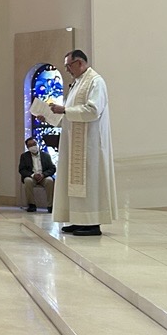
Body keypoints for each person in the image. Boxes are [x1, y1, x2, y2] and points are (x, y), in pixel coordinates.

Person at [48, 49, 118, 236]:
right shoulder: (77, 84)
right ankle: (79, 219)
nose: (67, 70)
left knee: (90, 182)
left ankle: (92, 224)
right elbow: (70, 114)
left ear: (79, 63)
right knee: (75, 184)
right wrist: (50, 115)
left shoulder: (95, 81)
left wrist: (64, 110)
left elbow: (93, 110)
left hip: (90, 144)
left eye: (68, 66)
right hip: (74, 143)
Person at [19, 136, 56, 212]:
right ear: (27, 147)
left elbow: (52, 168)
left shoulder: (46, 155)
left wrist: (43, 175)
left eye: (34, 144)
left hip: (43, 177)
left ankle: (50, 206)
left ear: (37, 144)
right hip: (31, 177)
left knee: (50, 181)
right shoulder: (24, 156)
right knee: (27, 181)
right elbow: (22, 170)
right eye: (30, 145)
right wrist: (33, 175)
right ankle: (32, 205)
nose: (33, 146)